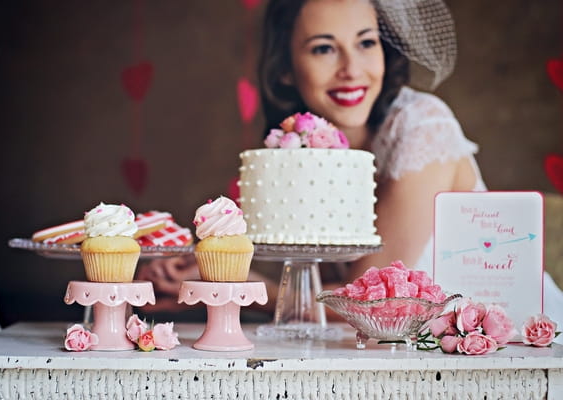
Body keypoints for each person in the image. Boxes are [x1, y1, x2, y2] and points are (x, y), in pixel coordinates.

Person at [138, 0, 563, 335]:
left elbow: (361, 305)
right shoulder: (303, 151)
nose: (351, 70)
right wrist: (204, 274)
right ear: (285, 68)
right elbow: (323, 295)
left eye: (365, 42)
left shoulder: (421, 125)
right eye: (323, 48)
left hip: (513, 345)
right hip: (401, 356)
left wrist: (249, 289)